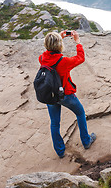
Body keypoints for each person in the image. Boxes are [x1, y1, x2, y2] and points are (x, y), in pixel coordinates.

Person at [39, 30, 96, 158]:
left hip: (50, 95)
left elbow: (51, 53)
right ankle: (86, 141)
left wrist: (59, 37)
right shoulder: (64, 61)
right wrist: (78, 42)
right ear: (59, 45)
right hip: (65, 95)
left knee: (54, 123)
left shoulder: (42, 58)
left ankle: (60, 151)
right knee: (80, 113)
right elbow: (80, 58)